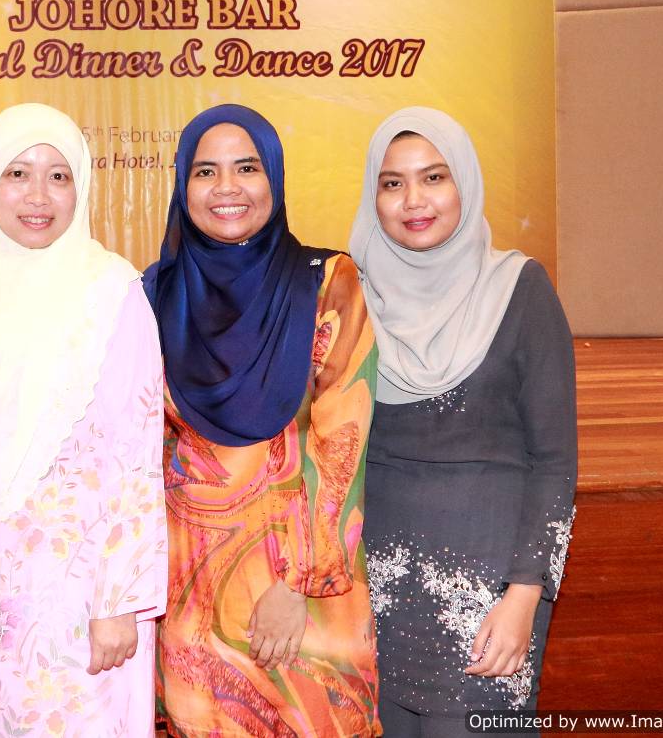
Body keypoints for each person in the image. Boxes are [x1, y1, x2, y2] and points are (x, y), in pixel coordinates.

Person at [0, 103, 168, 737]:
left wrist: (120, 600)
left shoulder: (113, 292)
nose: (38, 195)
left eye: (58, 176)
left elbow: (135, 455)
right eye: (17, 173)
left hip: (84, 595)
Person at [146, 104, 380, 738]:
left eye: (246, 168)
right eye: (205, 171)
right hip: (191, 597)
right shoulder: (153, 294)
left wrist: (298, 581)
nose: (227, 187)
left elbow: (343, 439)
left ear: (273, 177)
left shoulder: (328, 283)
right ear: (182, 186)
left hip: (304, 595)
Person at [348, 107, 577, 737]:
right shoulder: (352, 299)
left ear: (464, 184)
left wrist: (525, 594)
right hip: (377, 592)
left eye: (434, 177)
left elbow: (555, 463)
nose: (413, 200)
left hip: (488, 596)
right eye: (392, 183)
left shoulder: (520, 289)